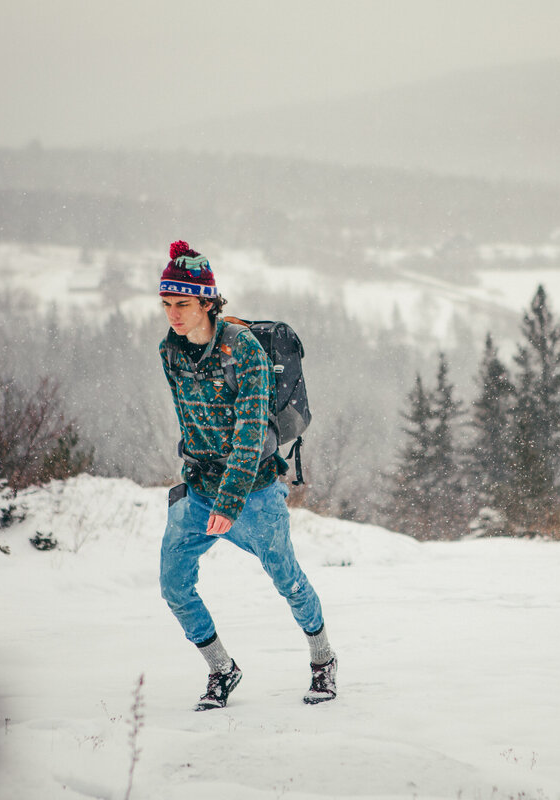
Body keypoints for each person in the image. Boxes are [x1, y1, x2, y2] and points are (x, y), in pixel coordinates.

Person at [157, 240, 336, 709]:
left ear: (208, 302)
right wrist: (197, 482)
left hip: (253, 492)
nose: (173, 314)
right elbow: (190, 420)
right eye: (167, 304)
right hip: (198, 489)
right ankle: (222, 669)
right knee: (173, 583)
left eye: (183, 303)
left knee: (287, 578)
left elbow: (251, 433)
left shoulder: (247, 354)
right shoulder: (170, 352)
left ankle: (323, 659)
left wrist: (230, 500)